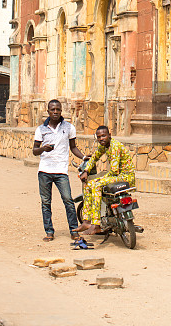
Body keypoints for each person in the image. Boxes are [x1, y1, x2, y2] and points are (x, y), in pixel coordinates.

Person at [33, 99, 88, 242]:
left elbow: (73, 147)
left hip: (61, 171)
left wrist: (84, 157)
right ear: (48, 111)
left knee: (68, 200)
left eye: (58, 109)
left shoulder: (69, 128)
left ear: (61, 111)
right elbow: (34, 151)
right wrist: (43, 149)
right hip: (44, 171)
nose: (55, 112)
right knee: (46, 202)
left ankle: (74, 231)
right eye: (52, 109)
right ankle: (49, 232)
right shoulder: (41, 129)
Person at [75, 125, 135, 236]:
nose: (101, 138)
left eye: (103, 136)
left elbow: (114, 171)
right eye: (99, 137)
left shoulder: (114, 147)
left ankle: (96, 225)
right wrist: (86, 171)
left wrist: (99, 179)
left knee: (96, 185)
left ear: (109, 135)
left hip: (125, 176)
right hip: (118, 175)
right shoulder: (104, 146)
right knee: (88, 184)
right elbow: (94, 157)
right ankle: (87, 221)